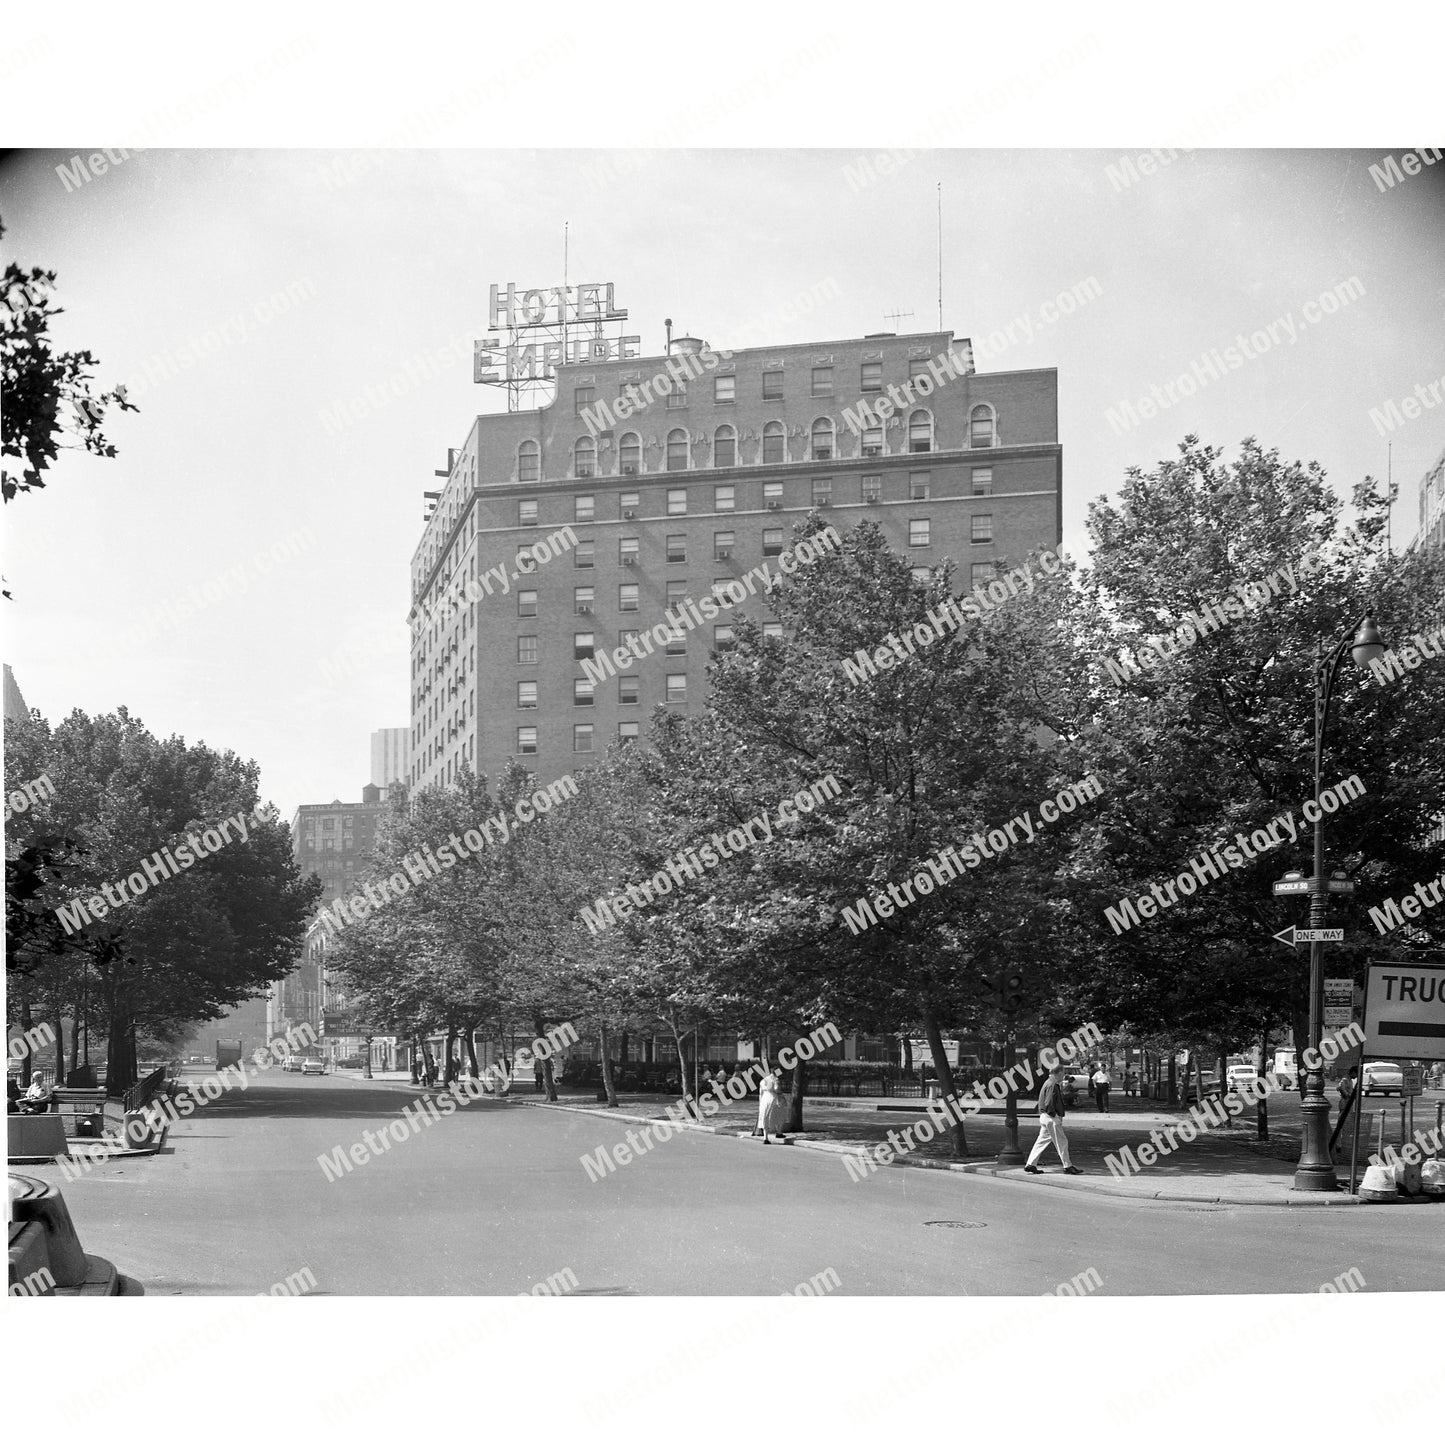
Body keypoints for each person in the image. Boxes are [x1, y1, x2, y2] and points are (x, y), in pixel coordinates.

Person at [1025, 1064, 1081, 1174]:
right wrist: (1055, 1116)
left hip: (1044, 1116)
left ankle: (1031, 1164)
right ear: (1059, 1073)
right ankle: (1067, 1165)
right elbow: (1049, 1102)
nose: (1064, 1075)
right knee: (1062, 1142)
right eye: (1063, 1073)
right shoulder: (1052, 1084)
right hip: (1050, 1117)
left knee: (1041, 1141)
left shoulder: (1048, 1082)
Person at [756, 1063, 785, 1143]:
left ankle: (766, 1138)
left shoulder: (763, 1080)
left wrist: (761, 1101)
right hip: (773, 1098)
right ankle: (779, 1132)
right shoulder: (775, 1079)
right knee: (778, 1115)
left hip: (764, 1099)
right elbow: (776, 1089)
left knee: (765, 1116)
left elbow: (760, 1093)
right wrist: (781, 1092)